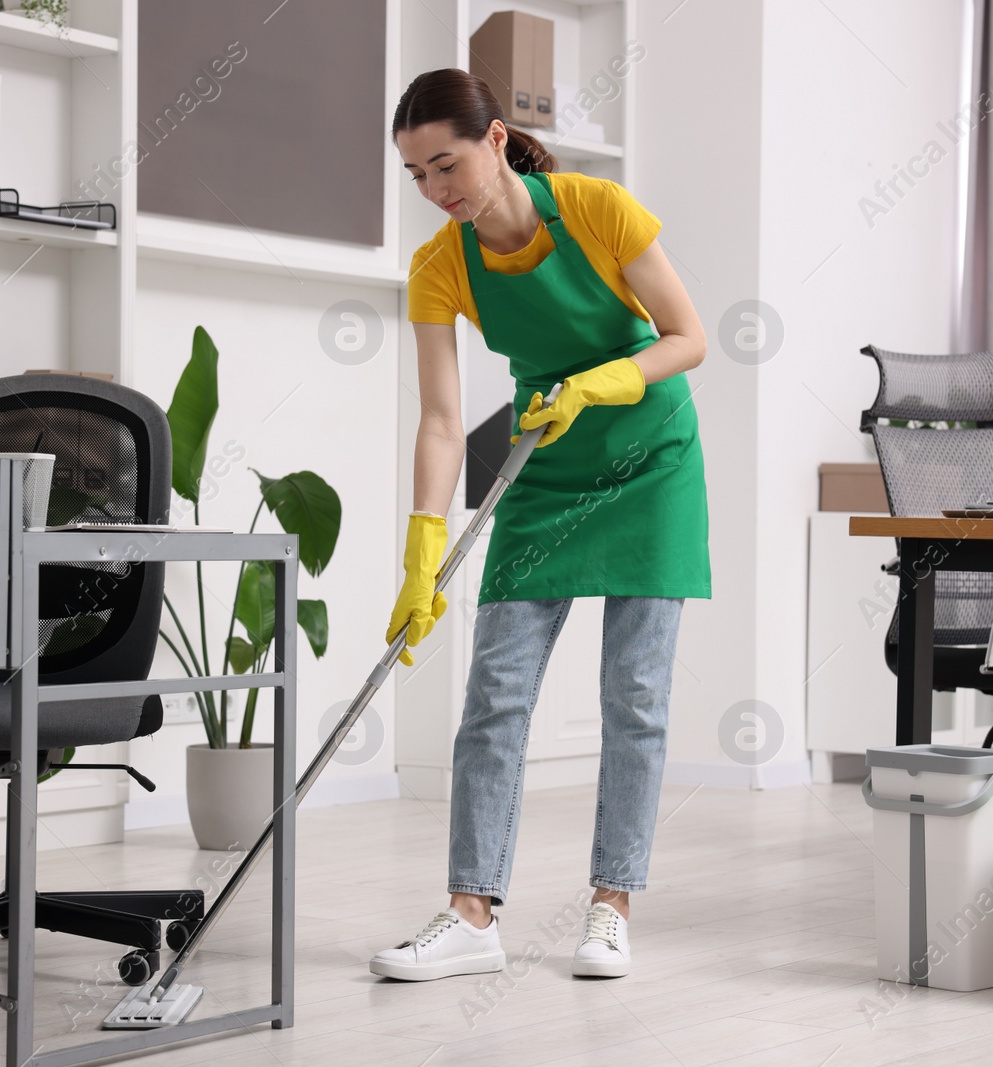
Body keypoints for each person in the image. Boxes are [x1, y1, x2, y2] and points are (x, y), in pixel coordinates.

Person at [371, 68, 710, 982]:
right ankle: (472, 914)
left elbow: (688, 336)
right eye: (417, 176)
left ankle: (611, 906)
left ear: (493, 143)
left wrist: (606, 378)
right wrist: (422, 547)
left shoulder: (598, 207)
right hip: (544, 463)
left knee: (633, 698)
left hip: (651, 458)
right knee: (496, 697)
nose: (438, 191)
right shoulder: (440, 264)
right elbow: (441, 419)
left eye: (446, 164)